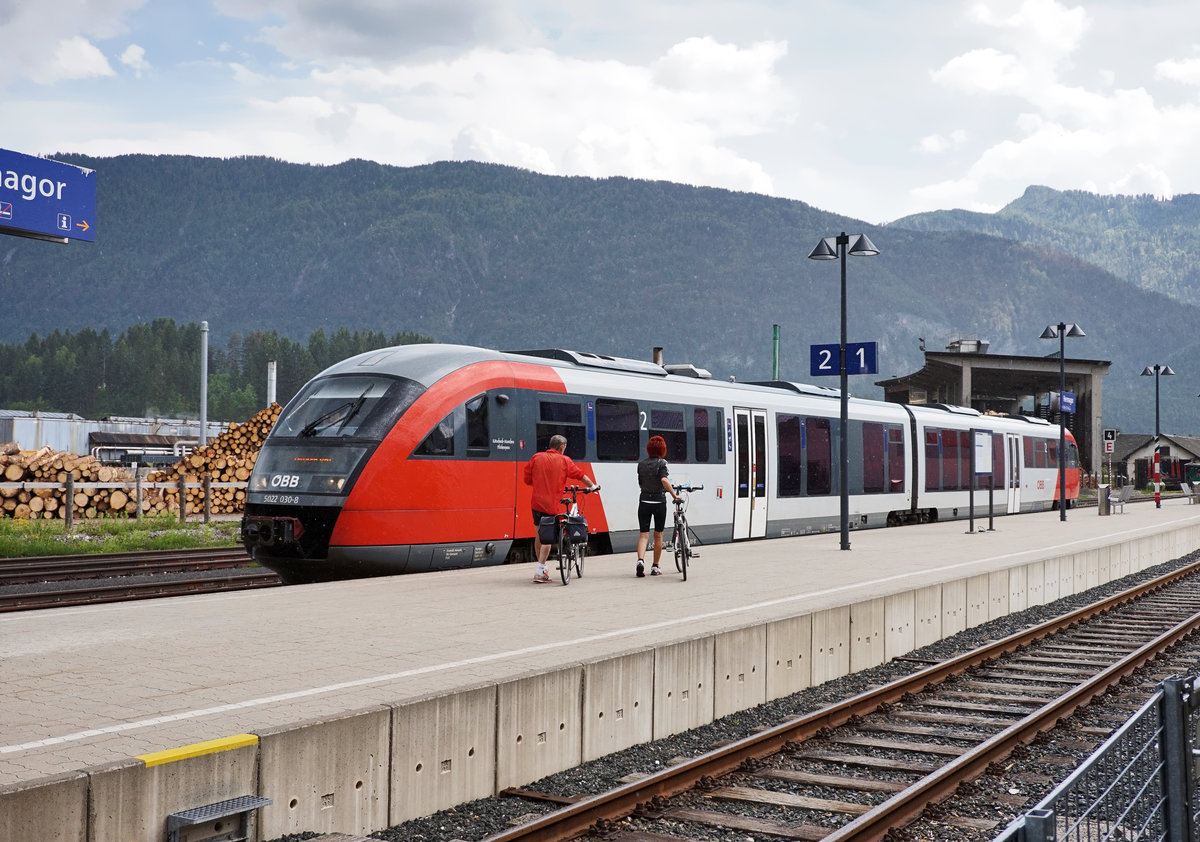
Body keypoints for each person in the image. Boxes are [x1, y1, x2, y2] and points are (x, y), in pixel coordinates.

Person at [523, 434, 596, 583]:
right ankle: (540, 571)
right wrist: (592, 486)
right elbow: (580, 475)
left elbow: (527, 480)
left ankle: (542, 567)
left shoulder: (536, 458)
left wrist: (541, 485)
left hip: (536, 503)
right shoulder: (564, 460)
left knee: (539, 534)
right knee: (547, 538)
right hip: (551, 505)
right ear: (562, 447)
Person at [635, 435, 679, 577]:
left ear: (649, 449)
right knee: (658, 535)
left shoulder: (641, 464)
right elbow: (664, 480)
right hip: (659, 502)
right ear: (663, 449)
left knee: (644, 535)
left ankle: (640, 561)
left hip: (644, 502)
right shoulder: (662, 463)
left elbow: (641, 484)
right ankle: (655, 567)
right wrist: (674, 495)